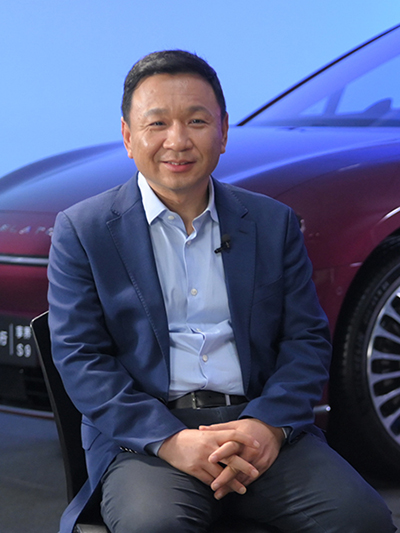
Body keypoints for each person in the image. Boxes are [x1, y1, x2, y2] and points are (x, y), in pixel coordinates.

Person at [47, 50, 396, 533]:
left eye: (196, 121)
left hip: (258, 427)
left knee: (364, 520)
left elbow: (306, 339)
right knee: (156, 527)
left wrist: (267, 426)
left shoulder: (272, 223)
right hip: (147, 440)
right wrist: (170, 441)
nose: (178, 141)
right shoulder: (83, 230)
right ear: (128, 136)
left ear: (224, 131)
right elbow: (80, 357)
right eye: (157, 123)